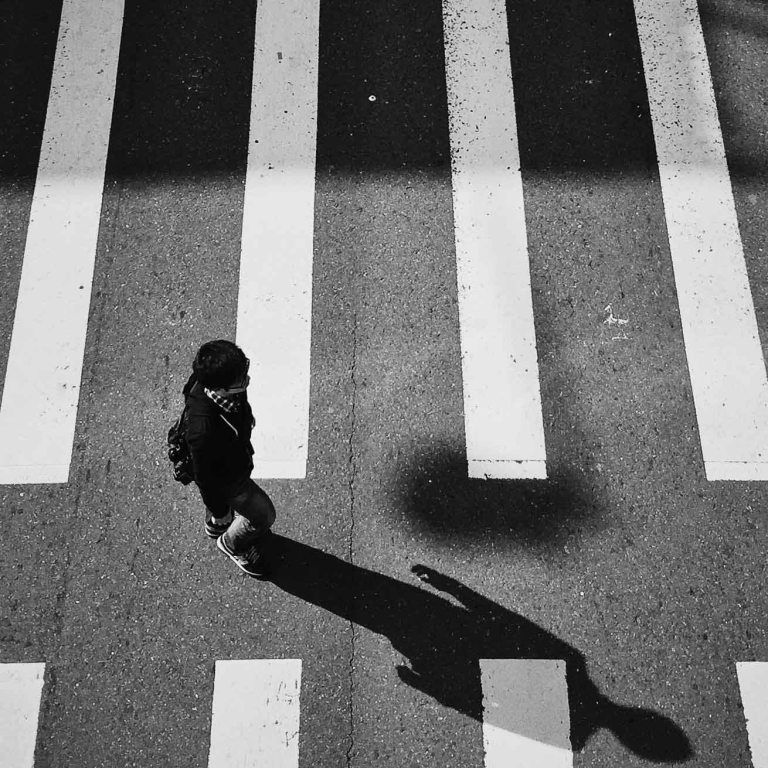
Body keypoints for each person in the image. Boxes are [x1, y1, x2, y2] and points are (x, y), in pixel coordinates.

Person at [183, 339, 276, 577]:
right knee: (263, 515)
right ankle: (232, 543)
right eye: (241, 381)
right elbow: (205, 477)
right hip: (231, 480)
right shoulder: (202, 432)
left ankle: (218, 524)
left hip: (235, 461)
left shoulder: (220, 387)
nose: (246, 381)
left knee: (234, 512)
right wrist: (218, 508)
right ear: (220, 388)